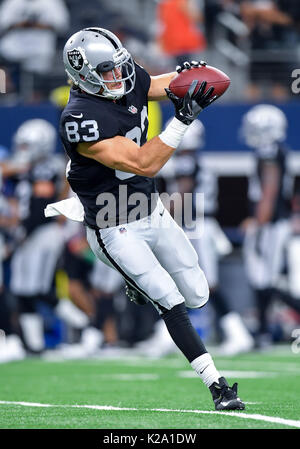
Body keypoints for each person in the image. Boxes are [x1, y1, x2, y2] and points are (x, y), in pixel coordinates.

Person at [52, 27, 245, 411]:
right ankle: (218, 386)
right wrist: (182, 119)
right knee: (171, 301)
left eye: (120, 67)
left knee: (197, 293)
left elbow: (155, 84)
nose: (119, 77)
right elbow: (145, 162)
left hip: (151, 209)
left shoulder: (120, 77)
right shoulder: (80, 118)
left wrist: (187, 76)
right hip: (113, 226)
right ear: (83, 74)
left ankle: (136, 284)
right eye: (108, 71)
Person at [241, 104, 300, 347]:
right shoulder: (278, 150)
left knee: (264, 279)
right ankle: (263, 331)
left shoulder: (269, 151)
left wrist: (258, 220)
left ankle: (263, 332)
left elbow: (270, 188)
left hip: (272, 223)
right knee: (262, 280)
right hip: (276, 222)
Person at [9, 119, 66, 353]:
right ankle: (34, 345)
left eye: (26, 145)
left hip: (41, 232)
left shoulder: (47, 167)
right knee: (26, 290)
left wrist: (22, 232)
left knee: (36, 290)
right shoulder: (26, 168)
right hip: (31, 233)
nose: (22, 151)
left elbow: (40, 207)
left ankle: (86, 327)